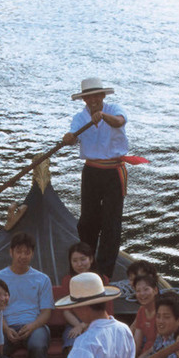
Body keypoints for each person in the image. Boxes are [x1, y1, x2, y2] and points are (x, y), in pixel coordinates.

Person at [63, 77, 133, 279]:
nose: (93, 100)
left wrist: (102, 116)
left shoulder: (114, 109)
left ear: (102, 96)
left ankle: (105, 272)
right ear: (84, 100)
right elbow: (72, 137)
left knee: (111, 223)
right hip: (91, 172)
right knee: (87, 222)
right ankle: (86, 263)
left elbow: (119, 121)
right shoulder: (79, 117)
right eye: (88, 97)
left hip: (113, 172)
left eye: (96, 96)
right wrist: (68, 138)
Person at [0, 231, 54, 358]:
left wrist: (32, 326)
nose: (23, 256)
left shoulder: (42, 279)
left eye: (27, 252)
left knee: (37, 346)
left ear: (32, 254)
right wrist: (5, 328)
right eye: (19, 251)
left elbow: (46, 312)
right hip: (6, 326)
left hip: (34, 326)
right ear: (11, 252)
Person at [132, 271, 159, 358]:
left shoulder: (161, 312)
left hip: (156, 355)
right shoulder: (141, 310)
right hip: (144, 354)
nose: (142, 294)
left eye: (146, 289)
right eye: (138, 291)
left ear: (155, 290)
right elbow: (136, 343)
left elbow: (157, 346)